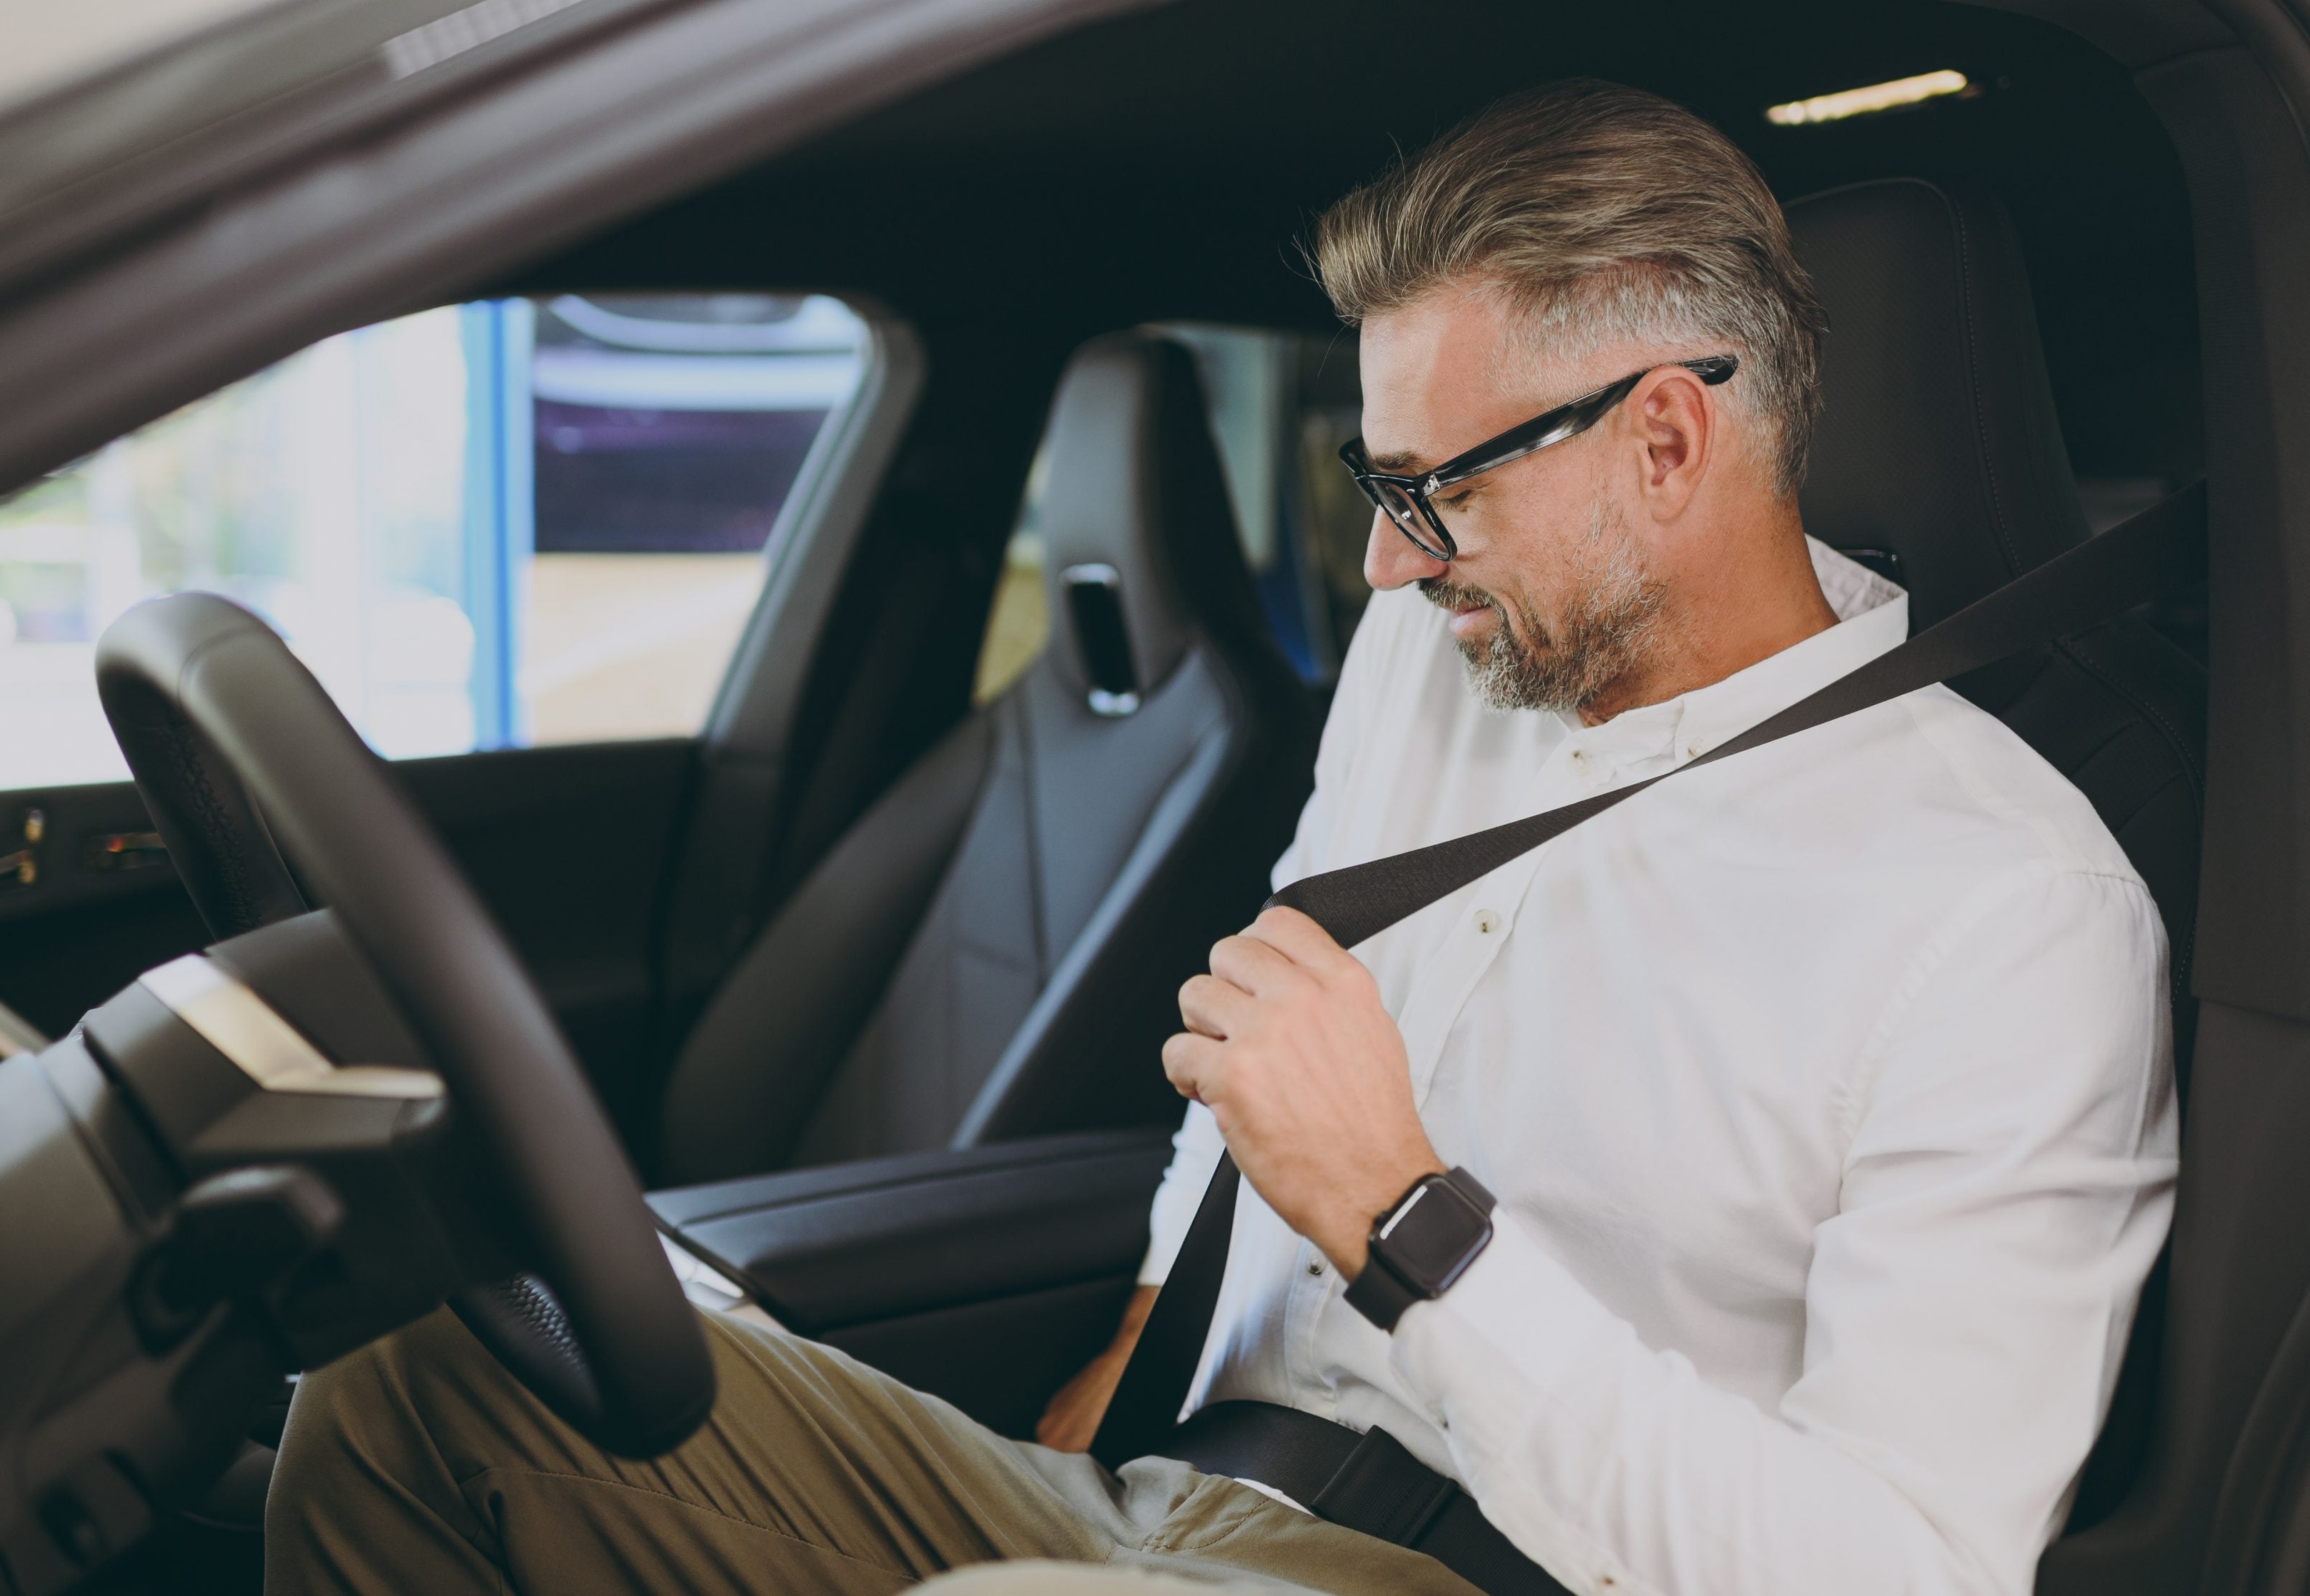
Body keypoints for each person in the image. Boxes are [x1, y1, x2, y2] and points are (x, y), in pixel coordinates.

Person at [265, 80, 2175, 1596]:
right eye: (1371, 476)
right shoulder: (1443, 662)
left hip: (1501, 1568)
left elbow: (1899, 1571)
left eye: (1431, 489)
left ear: (1665, 445)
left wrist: (1416, 1229)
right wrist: (1112, 1389)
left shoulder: (2007, 908)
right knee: (419, 1401)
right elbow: (1256, 1083)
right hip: (1175, 1487)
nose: (1378, 557)